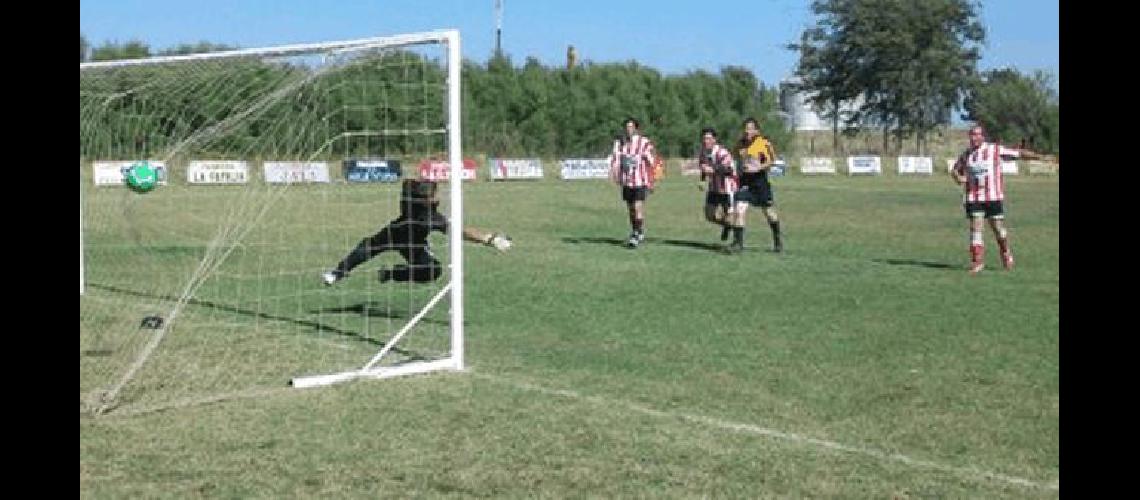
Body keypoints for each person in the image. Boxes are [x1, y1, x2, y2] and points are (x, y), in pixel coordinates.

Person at [321, 178, 512, 285]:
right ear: (426, 199)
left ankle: (391, 274)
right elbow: (460, 231)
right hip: (394, 234)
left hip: (414, 244)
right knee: (364, 250)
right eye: (434, 195)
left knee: (432, 270)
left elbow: (408, 183)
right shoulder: (429, 217)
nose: (438, 197)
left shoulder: (409, 192)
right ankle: (338, 272)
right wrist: (489, 238)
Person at [950, 124, 1019, 274]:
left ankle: (1005, 251)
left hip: (993, 197)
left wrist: (1042, 157)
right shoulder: (966, 154)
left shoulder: (994, 150)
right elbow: (955, 170)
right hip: (974, 197)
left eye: (977, 134)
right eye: (972, 135)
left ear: (983, 136)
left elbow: (1018, 154)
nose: (974, 138)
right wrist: (958, 178)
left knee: (998, 230)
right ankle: (977, 262)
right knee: (976, 228)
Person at [732, 117, 784, 253]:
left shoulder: (763, 143)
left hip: (760, 182)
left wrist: (759, 167)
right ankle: (738, 244)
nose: (747, 131)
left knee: (769, 213)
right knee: (739, 209)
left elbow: (771, 160)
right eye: (745, 128)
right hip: (745, 182)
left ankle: (777, 240)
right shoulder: (740, 144)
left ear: (756, 130)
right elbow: (737, 158)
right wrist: (738, 173)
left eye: (750, 128)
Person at [609, 117, 657, 248]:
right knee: (631, 209)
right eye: (626, 127)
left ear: (636, 129)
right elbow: (616, 159)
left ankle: (636, 234)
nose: (628, 130)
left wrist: (652, 180)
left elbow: (652, 161)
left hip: (640, 181)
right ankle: (638, 231)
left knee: (637, 207)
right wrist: (615, 173)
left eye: (631, 127)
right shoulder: (619, 143)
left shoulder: (644, 142)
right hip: (626, 182)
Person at [696, 127, 739, 251]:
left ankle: (737, 242)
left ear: (714, 139)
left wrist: (713, 169)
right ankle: (727, 226)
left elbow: (729, 170)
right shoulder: (703, 152)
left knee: (730, 216)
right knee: (709, 215)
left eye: (709, 138)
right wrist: (703, 180)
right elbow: (704, 168)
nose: (706, 141)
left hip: (727, 188)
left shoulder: (722, 152)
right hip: (713, 188)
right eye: (704, 138)